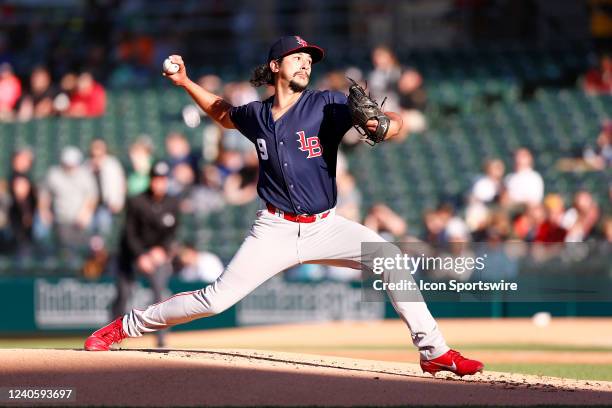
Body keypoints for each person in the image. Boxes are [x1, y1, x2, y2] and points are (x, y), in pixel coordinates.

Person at [84, 36, 483, 377]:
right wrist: (186, 81)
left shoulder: (325, 105)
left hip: (326, 226)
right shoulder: (257, 115)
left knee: (391, 258)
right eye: (298, 58)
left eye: (310, 61)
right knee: (214, 300)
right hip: (273, 229)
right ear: (276, 65)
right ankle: (123, 327)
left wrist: (385, 124)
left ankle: (434, 353)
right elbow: (223, 114)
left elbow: (391, 120)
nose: (306, 64)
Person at [111, 161, 180, 348]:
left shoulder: (173, 203)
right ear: (150, 180)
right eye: (156, 179)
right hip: (132, 254)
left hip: (157, 256)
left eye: (163, 179)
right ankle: (113, 336)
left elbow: (172, 234)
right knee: (123, 294)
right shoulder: (136, 201)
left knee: (160, 293)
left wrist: (163, 250)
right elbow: (129, 234)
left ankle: (161, 339)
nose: (159, 183)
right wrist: (140, 255)